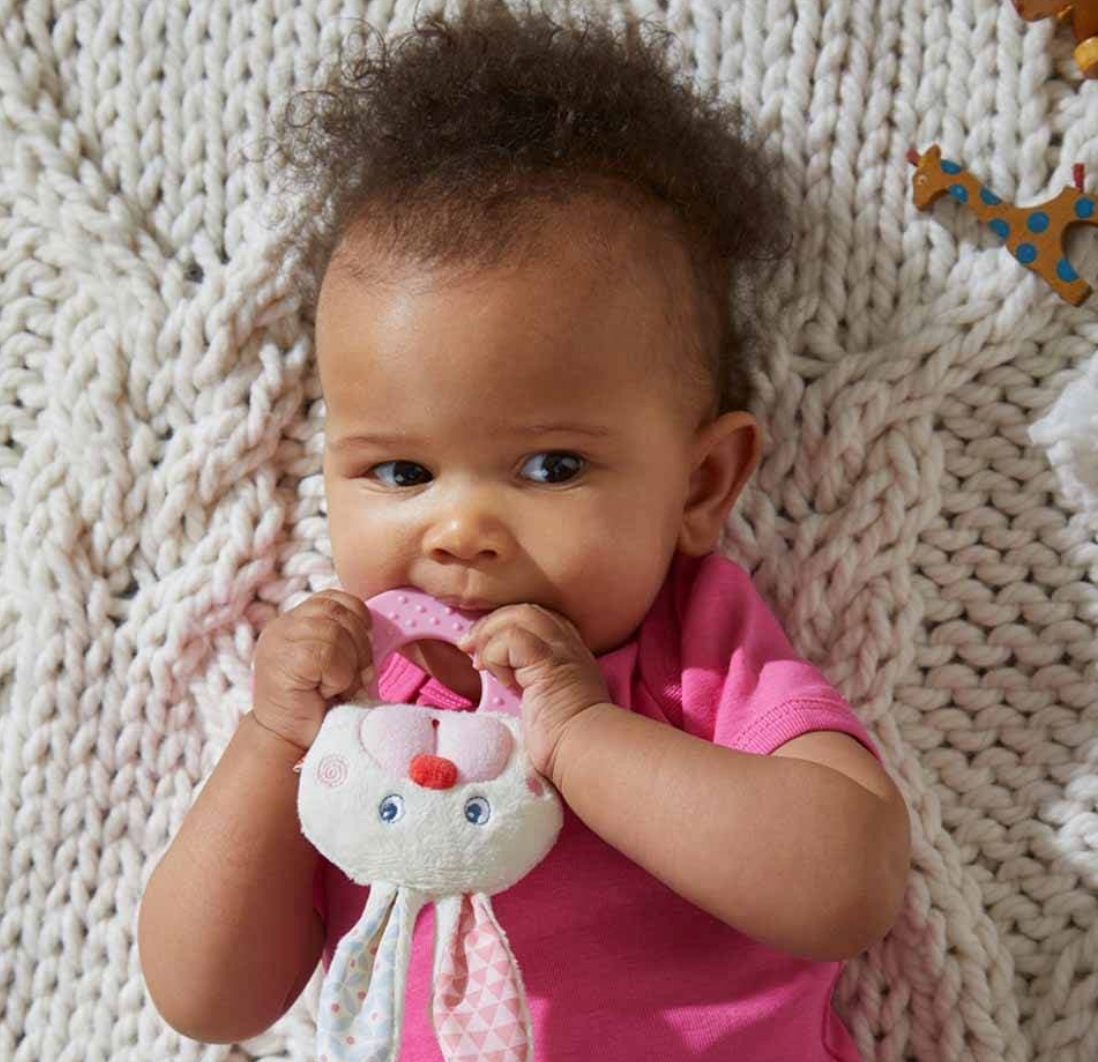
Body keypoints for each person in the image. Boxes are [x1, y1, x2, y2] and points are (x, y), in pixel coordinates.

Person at [138, 2, 911, 1059]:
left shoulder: (700, 658)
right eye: (401, 471)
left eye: (551, 467)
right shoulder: (359, 703)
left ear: (702, 482)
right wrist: (273, 739)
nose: (461, 529)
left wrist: (583, 737)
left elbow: (849, 887)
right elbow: (208, 998)